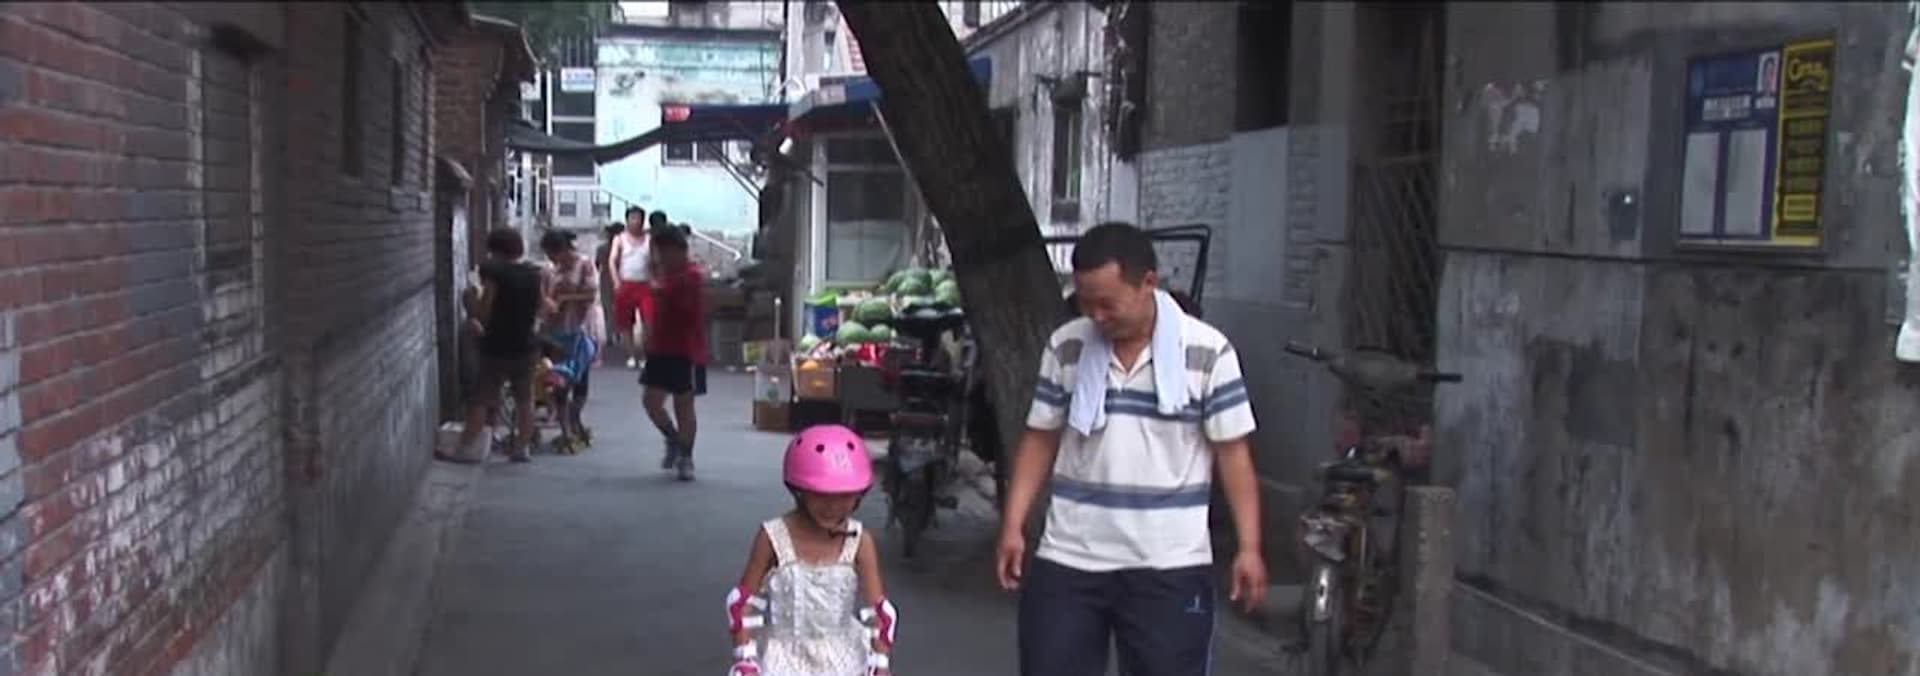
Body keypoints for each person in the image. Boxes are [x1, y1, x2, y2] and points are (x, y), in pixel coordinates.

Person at [995, 222, 1268, 676]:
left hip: (1169, 564)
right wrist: (1013, 525)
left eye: (1108, 304)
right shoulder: (1066, 347)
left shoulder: (1208, 353)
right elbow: (1040, 439)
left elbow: (1233, 455)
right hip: (1070, 557)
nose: (1097, 317)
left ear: (1148, 283)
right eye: (1086, 304)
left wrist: (1250, 547)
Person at [724, 424, 896, 676]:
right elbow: (744, 603)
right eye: (820, 495)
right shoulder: (772, 537)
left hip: (845, 661)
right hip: (782, 662)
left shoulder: (860, 542)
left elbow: (878, 612)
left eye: (844, 496)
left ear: (859, 495)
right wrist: (745, 658)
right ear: (799, 491)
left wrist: (880, 664)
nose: (832, 506)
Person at [442, 228, 551, 464]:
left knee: (481, 398)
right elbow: (545, 307)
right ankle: (521, 448)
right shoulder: (534, 274)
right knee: (525, 399)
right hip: (526, 346)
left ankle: (465, 448)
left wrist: (470, 302)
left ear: (495, 250)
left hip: (497, 347)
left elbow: (484, 313)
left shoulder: (494, 272)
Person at [639, 227, 709, 479]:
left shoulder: (691, 276)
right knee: (651, 401)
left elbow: (686, 310)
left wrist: (660, 289)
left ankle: (686, 456)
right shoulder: (664, 276)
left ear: (678, 250)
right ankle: (673, 438)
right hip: (660, 348)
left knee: (684, 405)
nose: (661, 257)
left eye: (664, 252)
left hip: (686, 350)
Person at [540, 229, 599, 448]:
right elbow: (543, 295)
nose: (552, 259)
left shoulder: (584, 265)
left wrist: (565, 299)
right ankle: (565, 429)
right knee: (559, 380)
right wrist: (547, 304)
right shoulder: (548, 270)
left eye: (554, 254)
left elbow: (590, 294)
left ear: (564, 249)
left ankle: (575, 418)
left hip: (579, 328)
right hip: (555, 331)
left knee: (580, 379)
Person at [607, 206, 655, 369]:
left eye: (638, 218)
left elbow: (656, 261)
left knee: (649, 322)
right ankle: (631, 355)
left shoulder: (649, 239)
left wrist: (655, 279)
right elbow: (612, 260)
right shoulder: (619, 239)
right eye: (632, 218)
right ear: (627, 220)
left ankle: (645, 355)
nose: (636, 222)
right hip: (626, 284)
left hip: (645, 285)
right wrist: (616, 281)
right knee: (626, 323)